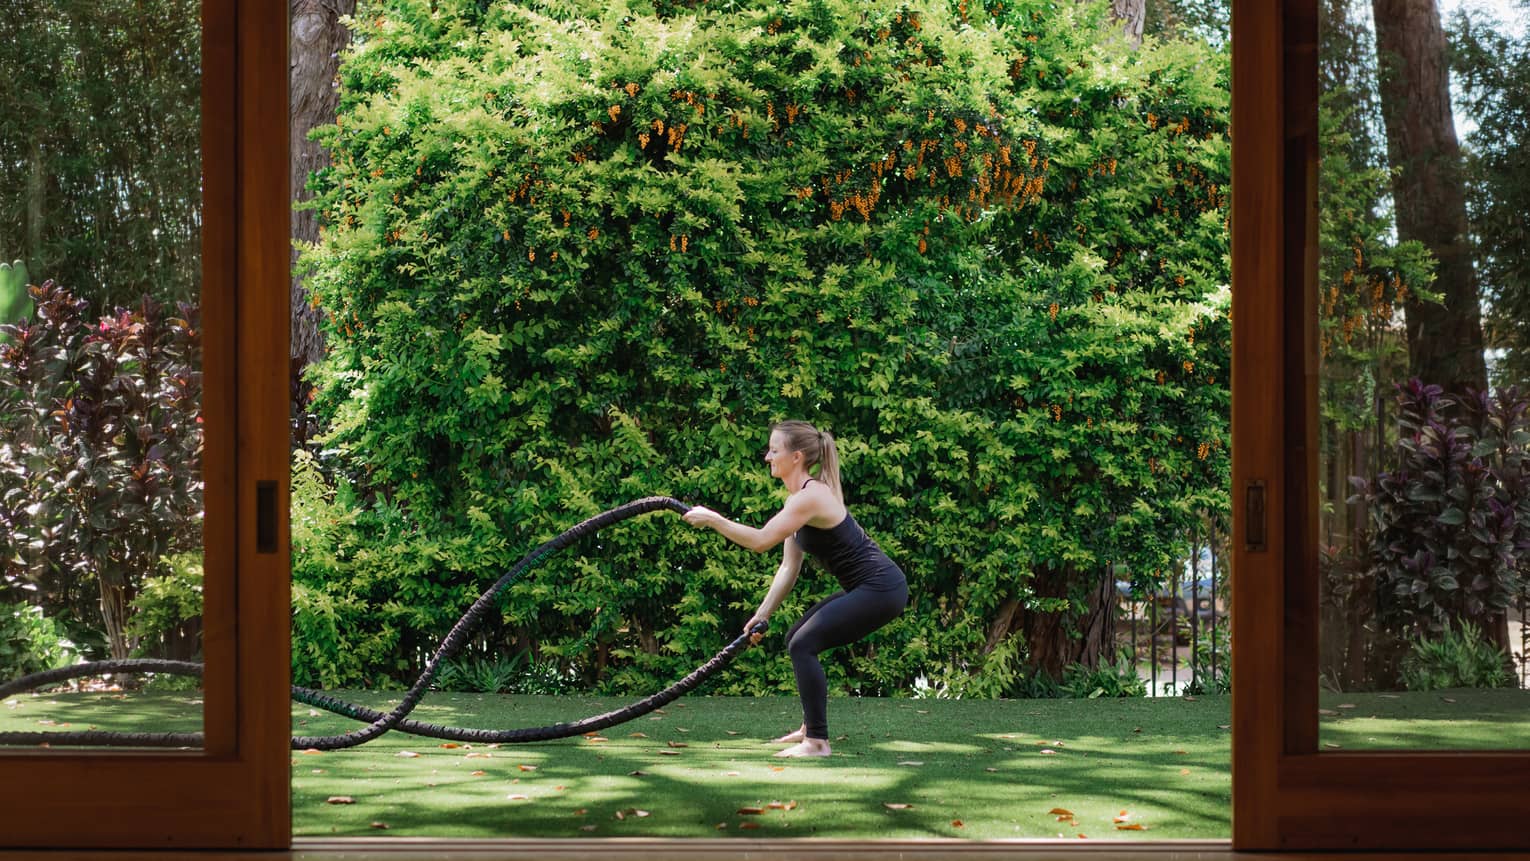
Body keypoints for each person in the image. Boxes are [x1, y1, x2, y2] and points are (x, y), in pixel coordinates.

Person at [682, 420, 908, 758]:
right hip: (871, 587)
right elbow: (789, 566)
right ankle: (809, 728)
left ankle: (817, 742)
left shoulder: (811, 497)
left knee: (804, 644)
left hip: (882, 588)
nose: (767, 457)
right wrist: (761, 615)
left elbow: (760, 541)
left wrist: (713, 519)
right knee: (795, 637)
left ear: (796, 457)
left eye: (774, 450)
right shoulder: (799, 500)